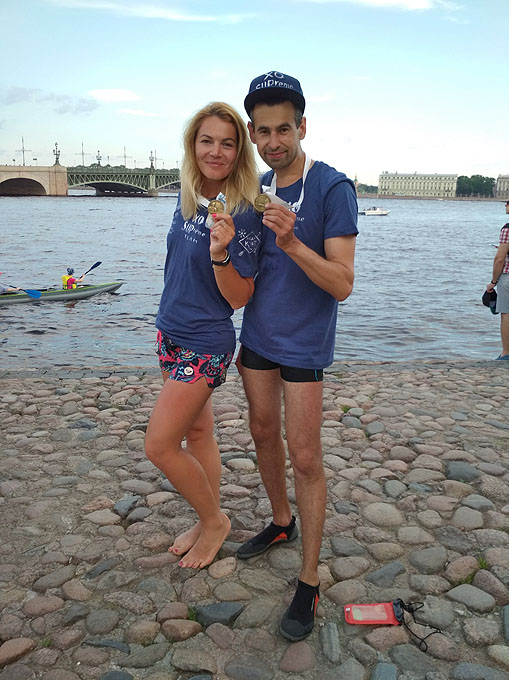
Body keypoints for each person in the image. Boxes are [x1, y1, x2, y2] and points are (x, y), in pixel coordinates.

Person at [236, 71, 358, 641]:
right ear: (253, 135)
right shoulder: (256, 189)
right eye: (263, 131)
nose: (273, 141)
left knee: (305, 456)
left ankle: (309, 580)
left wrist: (291, 242)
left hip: (305, 344)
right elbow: (244, 270)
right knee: (263, 433)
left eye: (283, 129)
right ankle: (281, 522)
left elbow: (342, 283)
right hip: (257, 337)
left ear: (302, 126)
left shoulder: (333, 188)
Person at [144, 102, 261, 569]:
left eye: (227, 143)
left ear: (239, 151)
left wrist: (220, 252)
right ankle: (204, 516)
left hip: (205, 341)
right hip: (170, 331)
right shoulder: (188, 194)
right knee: (198, 432)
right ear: (193, 145)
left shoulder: (243, 211)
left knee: (159, 445)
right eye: (207, 140)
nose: (216, 151)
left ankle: (215, 523)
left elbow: (241, 297)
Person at [486, 199, 509, 359]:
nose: (505, 205)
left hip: (508, 277)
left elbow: (499, 259)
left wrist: (493, 282)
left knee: (506, 313)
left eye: (508, 203)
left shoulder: (508, 229)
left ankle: (507, 354)